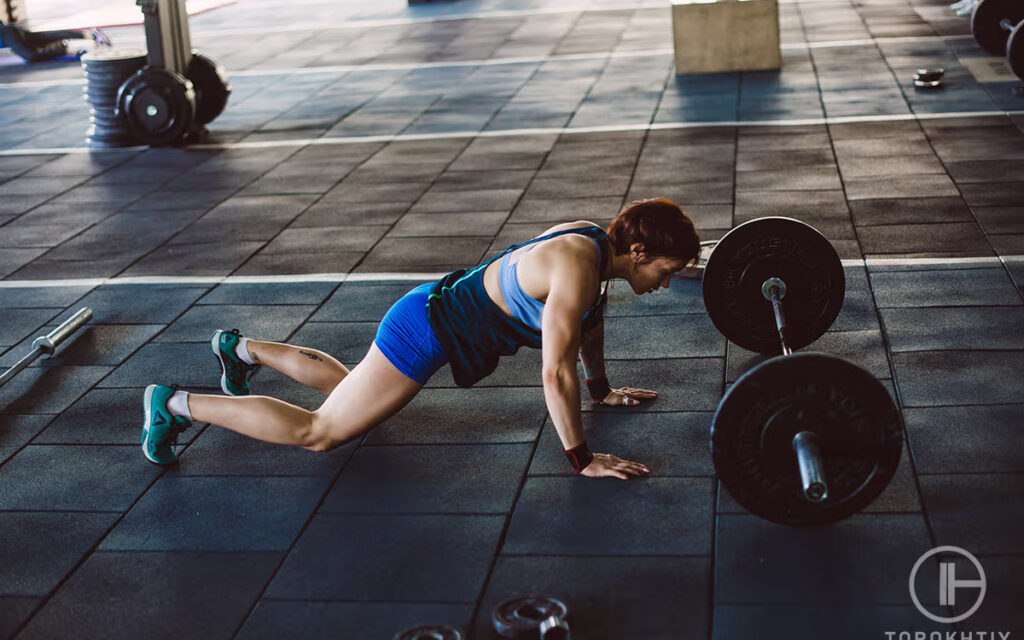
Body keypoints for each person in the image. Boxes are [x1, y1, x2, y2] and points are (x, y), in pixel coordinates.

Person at [141, 197, 701, 480]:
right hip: (422, 332)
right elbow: (554, 371)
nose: (668, 282)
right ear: (640, 253)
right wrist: (581, 459)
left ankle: (240, 350)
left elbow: (588, 326)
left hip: (423, 309)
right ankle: (174, 405)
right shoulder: (578, 267)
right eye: (669, 269)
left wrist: (601, 389)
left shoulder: (591, 244)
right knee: (322, 432)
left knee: (348, 385)